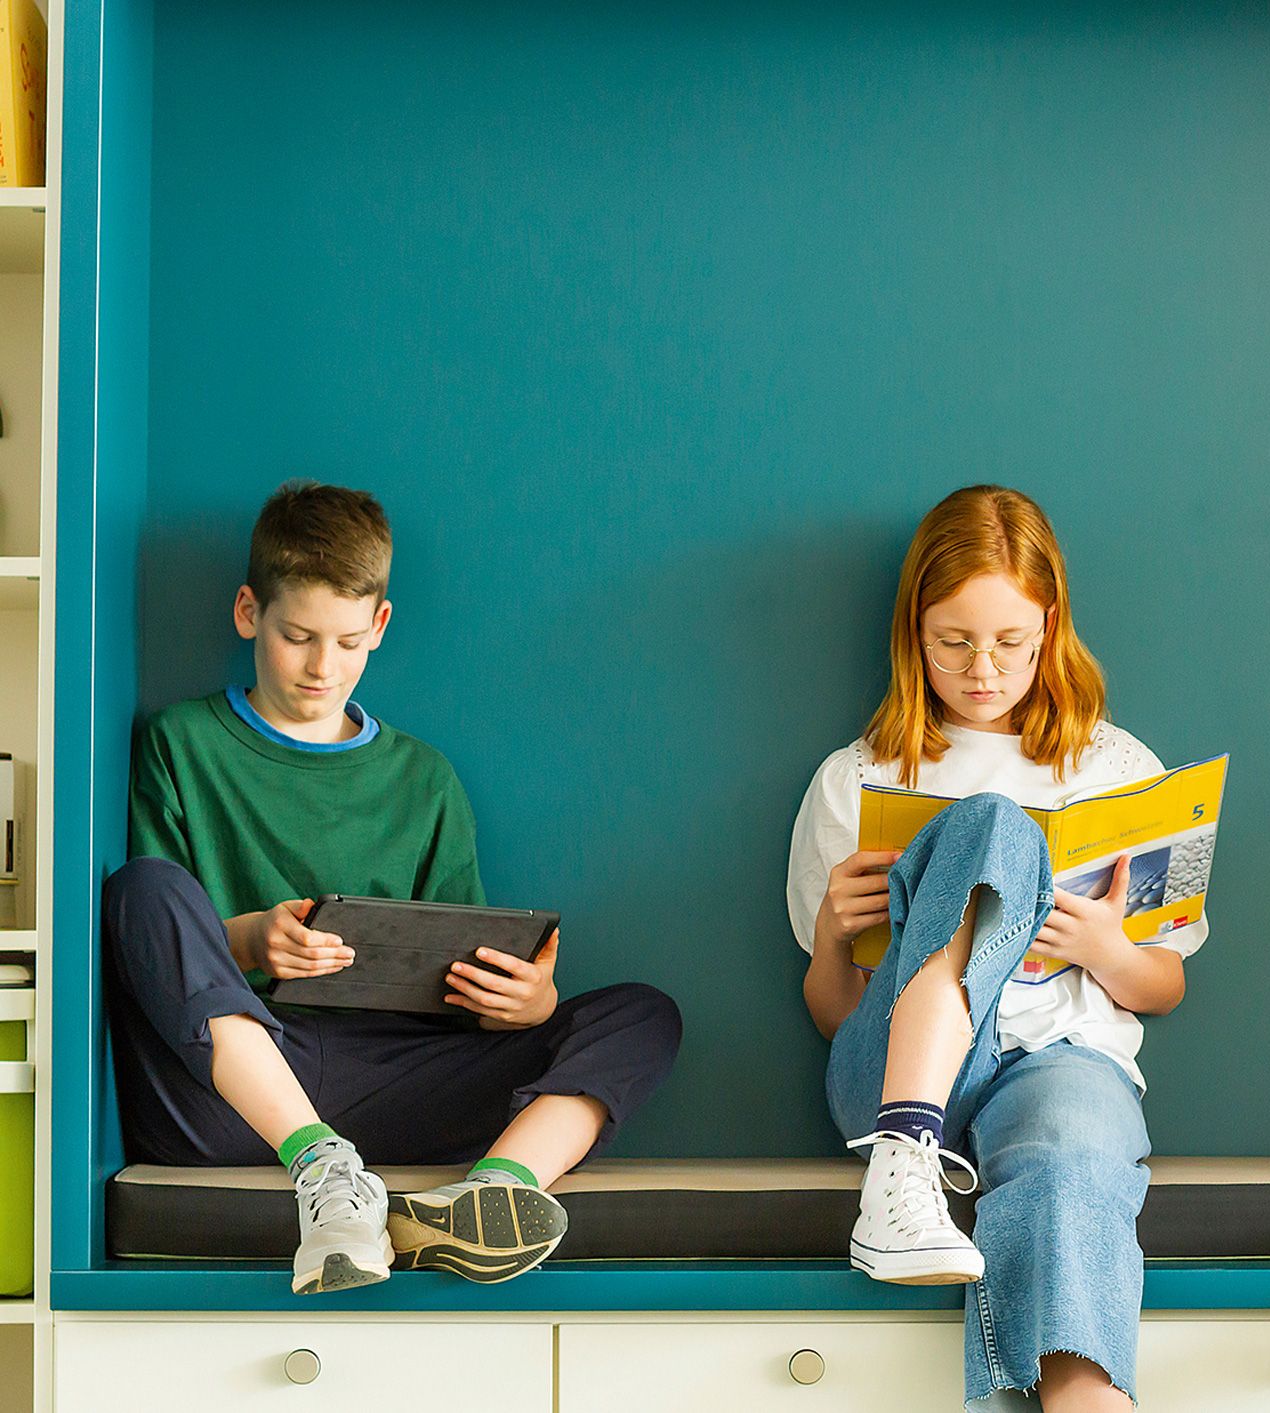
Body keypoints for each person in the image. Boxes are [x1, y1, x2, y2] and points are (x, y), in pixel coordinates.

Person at [106, 481, 682, 1293]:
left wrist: (527, 1002)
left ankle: (495, 1192)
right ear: (248, 612)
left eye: (345, 641)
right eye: (296, 636)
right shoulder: (181, 741)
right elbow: (155, 947)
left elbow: (461, 977)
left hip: (397, 1076)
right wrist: (248, 939)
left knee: (644, 1011)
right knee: (143, 886)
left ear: (378, 626)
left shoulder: (423, 777)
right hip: (231, 1097)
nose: (320, 666)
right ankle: (322, 1170)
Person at [788, 485, 1204, 1411]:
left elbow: (1163, 986)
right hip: (891, 1078)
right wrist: (829, 937)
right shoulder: (858, 777)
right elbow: (834, 1014)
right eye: (954, 642)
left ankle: (1088, 1405)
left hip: (1058, 1062)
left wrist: (1103, 944)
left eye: (1010, 643)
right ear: (913, 631)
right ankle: (904, 1154)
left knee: (1073, 1163)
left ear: (1049, 628)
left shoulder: (1116, 769)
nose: (983, 669)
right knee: (993, 827)